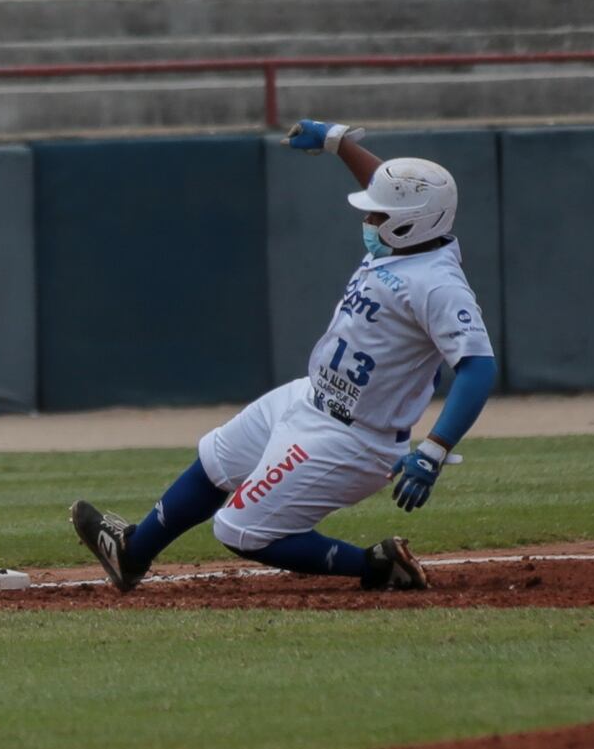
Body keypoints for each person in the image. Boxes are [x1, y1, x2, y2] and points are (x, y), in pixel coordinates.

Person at [71, 119, 498, 592]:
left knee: (238, 529)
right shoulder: (404, 244)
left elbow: (478, 368)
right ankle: (132, 554)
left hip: (355, 438)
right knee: (216, 458)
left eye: (378, 216)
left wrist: (434, 450)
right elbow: (388, 189)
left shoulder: (437, 284)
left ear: (411, 221)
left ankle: (376, 566)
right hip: (310, 397)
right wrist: (339, 143)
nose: (369, 221)